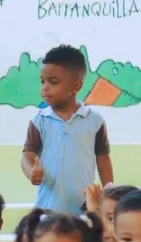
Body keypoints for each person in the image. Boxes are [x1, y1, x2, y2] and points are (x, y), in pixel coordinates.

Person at [21, 45, 114, 214]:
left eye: (53, 82)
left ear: (75, 86)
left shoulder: (95, 121)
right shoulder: (39, 120)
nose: (45, 87)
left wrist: (109, 191)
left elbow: (103, 158)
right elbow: (27, 156)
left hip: (84, 209)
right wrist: (30, 171)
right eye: (43, 81)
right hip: (47, 210)